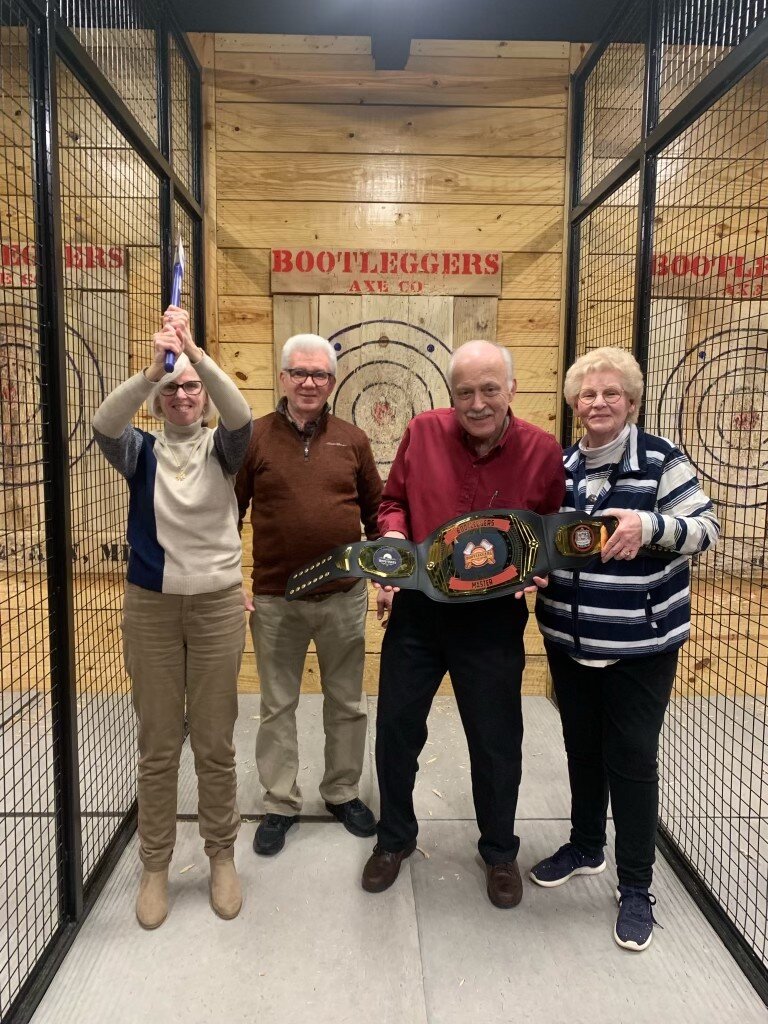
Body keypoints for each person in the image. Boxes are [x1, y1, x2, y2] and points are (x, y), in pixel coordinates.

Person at [361, 340, 565, 908]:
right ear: (452, 393)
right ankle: (395, 838)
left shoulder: (542, 451)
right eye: (465, 391)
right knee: (398, 730)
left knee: (497, 740)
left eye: (489, 389)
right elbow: (392, 502)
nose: (476, 403)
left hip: (493, 619)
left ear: (512, 391)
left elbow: (548, 529)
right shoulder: (423, 431)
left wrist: (539, 567)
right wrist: (396, 537)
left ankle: (499, 850)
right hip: (419, 612)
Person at [533, 346, 720, 951]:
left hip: (641, 646)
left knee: (632, 759)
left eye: (611, 393)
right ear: (573, 403)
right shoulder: (558, 466)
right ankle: (587, 845)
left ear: (632, 403)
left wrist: (650, 528)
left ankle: (636, 886)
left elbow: (706, 530)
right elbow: (539, 541)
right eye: (588, 394)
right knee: (581, 747)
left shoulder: (661, 461)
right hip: (569, 639)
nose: (598, 403)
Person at [92, 306, 252, 929]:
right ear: (158, 401)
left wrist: (193, 352)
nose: (184, 395)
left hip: (216, 605)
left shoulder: (226, 447)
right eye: (172, 388)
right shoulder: (140, 451)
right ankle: (154, 865)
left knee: (214, 743)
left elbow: (239, 412)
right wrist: (150, 369)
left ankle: (221, 857)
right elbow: (104, 423)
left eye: (191, 387)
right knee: (158, 745)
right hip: (151, 607)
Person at [236, 333, 382, 856]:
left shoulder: (354, 439)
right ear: (282, 378)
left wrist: (385, 576)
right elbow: (226, 515)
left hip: (344, 596)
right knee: (277, 705)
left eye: (319, 374)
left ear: (332, 382)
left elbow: (378, 514)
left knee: (347, 702)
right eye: (299, 372)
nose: (309, 382)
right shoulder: (251, 438)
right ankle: (280, 802)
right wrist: (232, 581)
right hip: (276, 599)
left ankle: (342, 792)